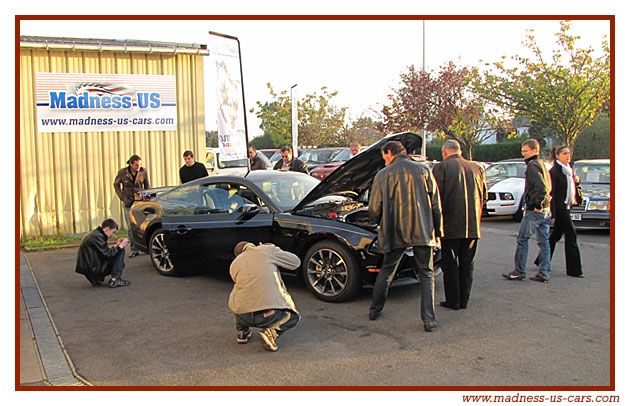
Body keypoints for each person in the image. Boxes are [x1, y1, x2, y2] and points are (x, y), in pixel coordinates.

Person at [368, 140, 443, 332]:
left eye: (384, 156)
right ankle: (429, 319)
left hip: (394, 230)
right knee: (426, 273)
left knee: (387, 270)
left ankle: (375, 310)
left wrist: (376, 222)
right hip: (423, 230)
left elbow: (374, 207)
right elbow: (435, 204)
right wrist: (438, 231)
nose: (383, 160)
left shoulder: (383, 175)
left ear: (390, 153)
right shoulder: (424, 170)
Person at [432, 140, 488, 310]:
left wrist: (435, 224)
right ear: (459, 150)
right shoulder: (477, 168)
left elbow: (435, 198)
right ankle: (464, 299)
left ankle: (453, 300)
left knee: (450, 264)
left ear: (444, 152)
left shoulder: (441, 168)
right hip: (472, 225)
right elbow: (484, 195)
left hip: (450, 225)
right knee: (467, 263)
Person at [228, 241, 301, 352]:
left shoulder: (234, 263)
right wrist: (272, 248)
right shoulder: (266, 250)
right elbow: (296, 262)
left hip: (242, 315)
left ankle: (242, 332)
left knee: (240, 297)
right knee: (293, 317)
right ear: (252, 245)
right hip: (267, 314)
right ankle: (272, 333)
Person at [503, 139, 552, 283]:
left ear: (534, 150)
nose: (523, 154)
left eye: (525, 151)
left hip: (535, 210)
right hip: (545, 209)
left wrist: (537, 204)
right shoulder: (542, 164)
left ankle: (519, 270)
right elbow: (547, 186)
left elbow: (541, 187)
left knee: (523, 239)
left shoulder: (532, 165)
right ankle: (544, 272)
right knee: (544, 242)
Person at [536, 145, 584, 278]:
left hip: (567, 206)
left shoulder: (569, 171)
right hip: (560, 208)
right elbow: (553, 194)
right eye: (564, 154)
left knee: (555, 236)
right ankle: (574, 270)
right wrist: (554, 214)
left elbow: (572, 189)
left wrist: (577, 182)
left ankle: (541, 260)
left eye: (569, 153)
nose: (568, 156)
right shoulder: (555, 172)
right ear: (557, 156)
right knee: (571, 235)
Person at [75, 218, 131, 288]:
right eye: (113, 232)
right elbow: (107, 255)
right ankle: (115, 279)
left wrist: (116, 245)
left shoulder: (95, 234)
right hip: (93, 269)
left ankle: (94, 279)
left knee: (118, 250)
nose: (113, 235)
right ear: (107, 229)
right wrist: (120, 246)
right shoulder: (98, 237)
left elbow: (102, 252)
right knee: (120, 251)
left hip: (88, 268)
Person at [113, 155, 150, 258]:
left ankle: (145, 247)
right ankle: (134, 249)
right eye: (136, 165)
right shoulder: (122, 173)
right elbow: (116, 184)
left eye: (140, 165)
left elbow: (147, 186)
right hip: (128, 202)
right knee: (130, 227)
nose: (139, 167)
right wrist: (122, 197)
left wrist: (146, 196)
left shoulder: (143, 171)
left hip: (140, 202)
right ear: (131, 164)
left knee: (143, 225)